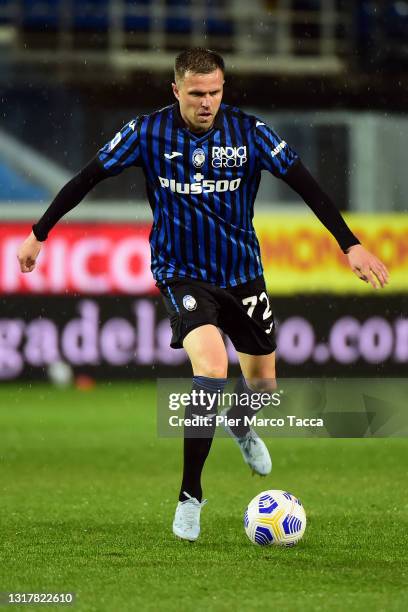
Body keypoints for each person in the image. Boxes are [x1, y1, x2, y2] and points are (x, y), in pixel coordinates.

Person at [17, 48, 389, 543]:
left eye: (215, 92)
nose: (207, 102)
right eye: (196, 93)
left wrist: (350, 244)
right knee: (211, 368)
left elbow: (306, 185)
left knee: (262, 390)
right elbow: (87, 177)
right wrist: (40, 233)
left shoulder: (251, 133)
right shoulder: (146, 132)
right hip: (181, 274)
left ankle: (240, 423)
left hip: (243, 276)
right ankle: (190, 497)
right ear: (176, 91)